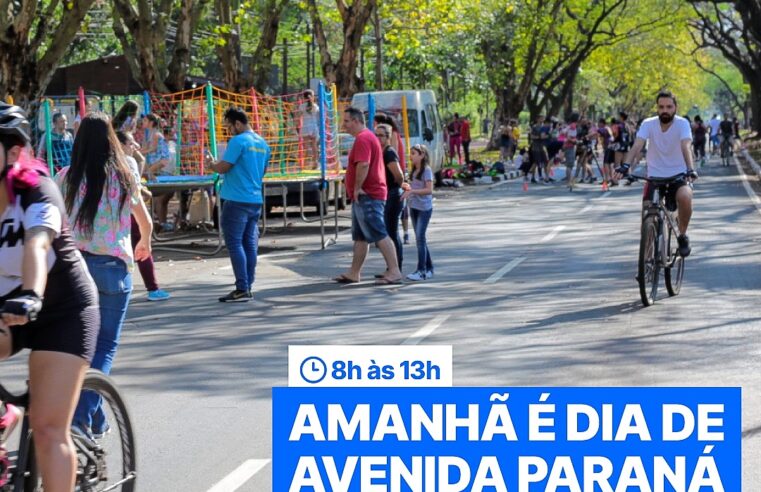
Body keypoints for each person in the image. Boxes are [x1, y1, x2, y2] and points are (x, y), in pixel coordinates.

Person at [0, 103, 101, 491]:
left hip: (62, 308)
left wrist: (30, 294)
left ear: (12, 153)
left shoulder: (36, 190)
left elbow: (37, 246)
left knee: (46, 428)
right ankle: (5, 412)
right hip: (7, 307)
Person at [56, 113, 152, 441]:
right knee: (103, 347)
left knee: (77, 347)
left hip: (72, 271)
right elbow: (145, 221)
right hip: (112, 270)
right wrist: (144, 243)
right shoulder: (125, 173)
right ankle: (82, 421)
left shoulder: (65, 176)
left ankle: (93, 421)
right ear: (111, 137)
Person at [615, 90, 697, 257]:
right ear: (657, 108)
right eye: (661, 107)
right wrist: (625, 165)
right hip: (654, 177)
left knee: (685, 197)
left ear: (675, 107)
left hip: (678, 175)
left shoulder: (682, 124)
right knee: (647, 213)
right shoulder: (648, 123)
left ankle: (682, 235)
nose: (664, 110)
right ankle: (647, 257)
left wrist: (690, 169)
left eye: (669, 106)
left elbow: (685, 146)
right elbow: (637, 145)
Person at [205, 107, 270, 302]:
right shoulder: (262, 143)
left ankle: (242, 287)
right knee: (250, 244)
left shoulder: (238, 141)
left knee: (234, 243)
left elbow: (224, 167)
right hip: (255, 199)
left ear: (238, 124)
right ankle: (247, 285)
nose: (229, 130)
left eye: (229, 126)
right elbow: (263, 170)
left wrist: (211, 164)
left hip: (235, 199)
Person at [333, 107, 402, 285]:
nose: (344, 125)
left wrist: (356, 188)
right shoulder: (364, 137)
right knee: (360, 237)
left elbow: (363, 165)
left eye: (346, 121)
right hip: (365, 195)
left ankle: (394, 271)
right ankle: (354, 272)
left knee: (379, 233)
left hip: (369, 194)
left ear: (356, 121)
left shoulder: (363, 138)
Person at [116, 131, 171, 301]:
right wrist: (142, 191)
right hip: (131, 212)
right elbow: (134, 187)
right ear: (121, 145)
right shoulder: (128, 161)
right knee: (142, 248)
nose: (135, 147)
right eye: (131, 143)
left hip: (113, 215)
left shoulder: (109, 161)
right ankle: (153, 288)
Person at [402, 144, 434, 281]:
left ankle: (421, 271)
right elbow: (413, 186)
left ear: (422, 155)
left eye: (414, 153)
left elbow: (429, 190)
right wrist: (406, 187)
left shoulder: (426, 170)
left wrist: (412, 191)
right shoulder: (414, 170)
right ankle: (429, 268)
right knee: (420, 239)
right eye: (411, 153)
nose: (411, 156)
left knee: (420, 238)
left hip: (424, 209)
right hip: (413, 206)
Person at [376, 123, 405, 272]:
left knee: (392, 233)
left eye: (380, 135)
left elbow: (399, 175)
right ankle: (391, 267)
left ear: (388, 137)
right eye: (376, 135)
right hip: (387, 195)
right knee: (388, 232)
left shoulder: (389, 153)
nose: (377, 138)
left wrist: (399, 188)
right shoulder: (381, 152)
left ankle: (396, 268)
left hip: (393, 195)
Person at [142, 113, 174, 231]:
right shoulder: (149, 134)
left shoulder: (155, 134)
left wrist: (141, 152)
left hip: (162, 160)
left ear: (151, 122)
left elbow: (153, 149)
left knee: (148, 172)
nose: (143, 123)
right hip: (157, 160)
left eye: (145, 121)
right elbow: (147, 148)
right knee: (147, 172)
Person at [298, 90, 320, 168]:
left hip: (305, 127)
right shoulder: (316, 106)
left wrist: (296, 127)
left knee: (306, 147)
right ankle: (315, 163)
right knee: (314, 147)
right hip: (313, 127)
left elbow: (298, 117)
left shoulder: (301, 106)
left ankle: (306, 164)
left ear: (304, 97)